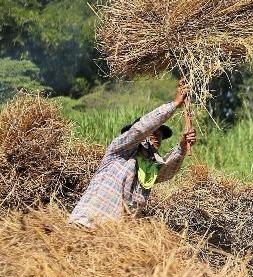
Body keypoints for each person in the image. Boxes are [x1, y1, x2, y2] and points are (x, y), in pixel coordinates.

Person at [68, 80, 196, 227]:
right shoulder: (120, 149)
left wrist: (182, 147)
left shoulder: (148, 170)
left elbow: (167, 171)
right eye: (153, 132)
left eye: (160, 135)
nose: (157, 136)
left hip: (112, 236)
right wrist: (174, 104)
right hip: (86, 223)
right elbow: (141, 129)